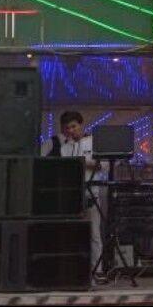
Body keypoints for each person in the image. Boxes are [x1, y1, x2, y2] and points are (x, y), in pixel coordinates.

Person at [48, 111, 105, 279]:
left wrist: (83, 163)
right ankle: (74, 269)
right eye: (67, 128)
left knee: (94, 233)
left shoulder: (94, 142)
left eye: (73, 126)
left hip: (92, 193)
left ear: (81, 124)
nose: (71, 131)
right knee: (71, 232)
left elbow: (104, 166)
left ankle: (97, 270)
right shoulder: (65, 147)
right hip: (72, 195)